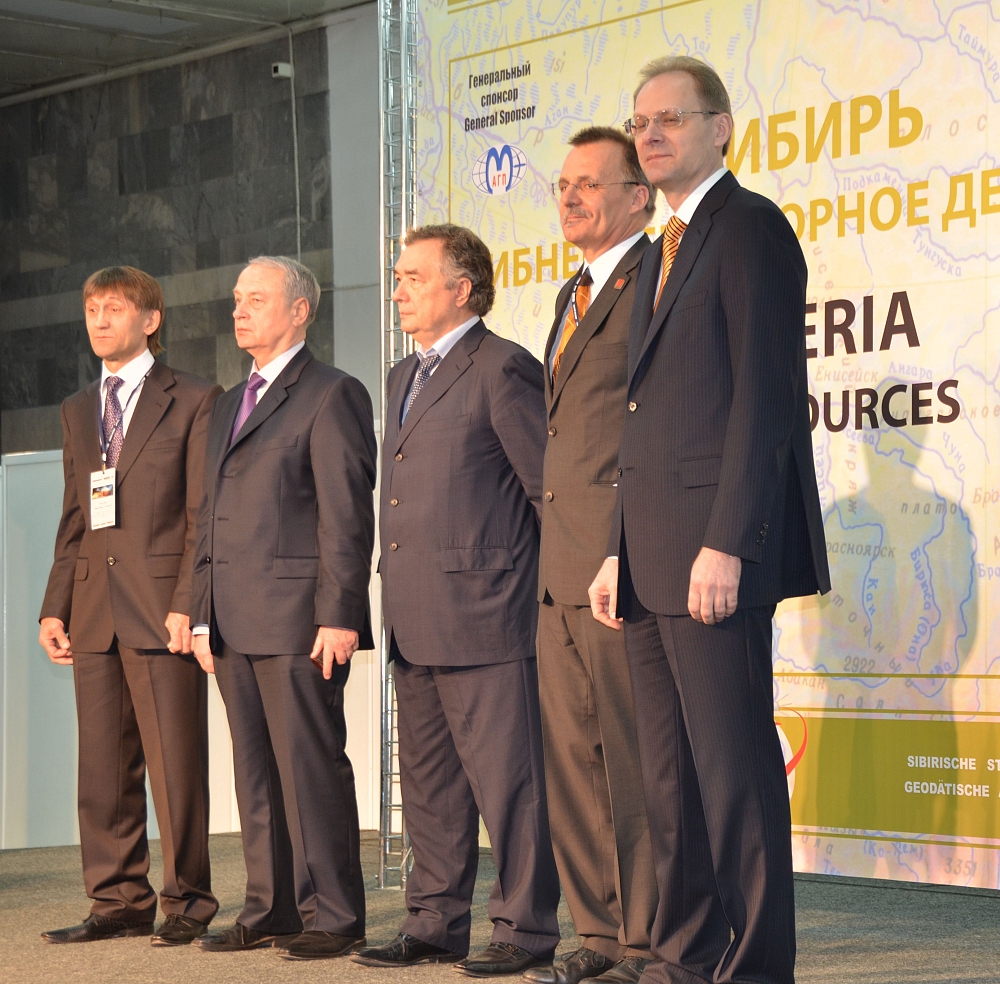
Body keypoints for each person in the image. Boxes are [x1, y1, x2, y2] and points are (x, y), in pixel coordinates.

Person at [587, 57, 831, 984]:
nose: (650, 136)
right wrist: (615, 548)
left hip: (712, 553)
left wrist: (728, 541)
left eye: (670, 119)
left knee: (733, 776)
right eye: (639, 122)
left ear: (720, 128)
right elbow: (641, 415)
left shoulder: (750, 228)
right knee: (669, 781)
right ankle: (683, 957)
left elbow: (766, 401)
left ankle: (757, 966)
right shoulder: (657, 250)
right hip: (649, 556)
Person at [352, 225, 560, 978]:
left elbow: (547, 495)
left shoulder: (503, 367)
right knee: (430, 790)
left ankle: (525, 929)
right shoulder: (402, 374)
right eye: (397, 277)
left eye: (413, 277)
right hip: (413, 618)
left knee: (513, 790)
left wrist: (551, 608)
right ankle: (434, 924)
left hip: (489, 617)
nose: (398, 291)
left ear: (461, 288)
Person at [189, 256, 377, 962]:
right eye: (237, 299)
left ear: (299, 311)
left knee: (309, 767)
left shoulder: (332, 393)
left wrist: (340, 613)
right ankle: (270, 907)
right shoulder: (227, 403)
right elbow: (207, 517)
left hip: (300, 619)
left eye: (256, 299)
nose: (239, 310)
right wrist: (199, 611)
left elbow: (345, 516)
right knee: (255, 772)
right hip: (232, 621)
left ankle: (335, 913)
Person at [38, 266, 221, 946]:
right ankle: (117, 899)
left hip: (161, 610)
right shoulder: (77, 408)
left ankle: (188, 901)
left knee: (176, 767)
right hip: (93, 610)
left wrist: (189, 604)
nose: (99, 321)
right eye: (91, 310)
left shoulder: (195, 398)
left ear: (150, 319)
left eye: (113, 309)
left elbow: (202, 515)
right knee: (103, 771)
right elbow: (75, 515)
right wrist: (54, 606)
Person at [526, 128, 658, 984]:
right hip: (556, 571)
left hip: (618, 563)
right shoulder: (572, 291)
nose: (571, 197)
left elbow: (649, 430)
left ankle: (649, 938)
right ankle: (600, 935)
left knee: (634, 762)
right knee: (573, 763)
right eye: (563, 185)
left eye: (590, 183)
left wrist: (623, 547)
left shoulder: (655, 282)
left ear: (638, 196)